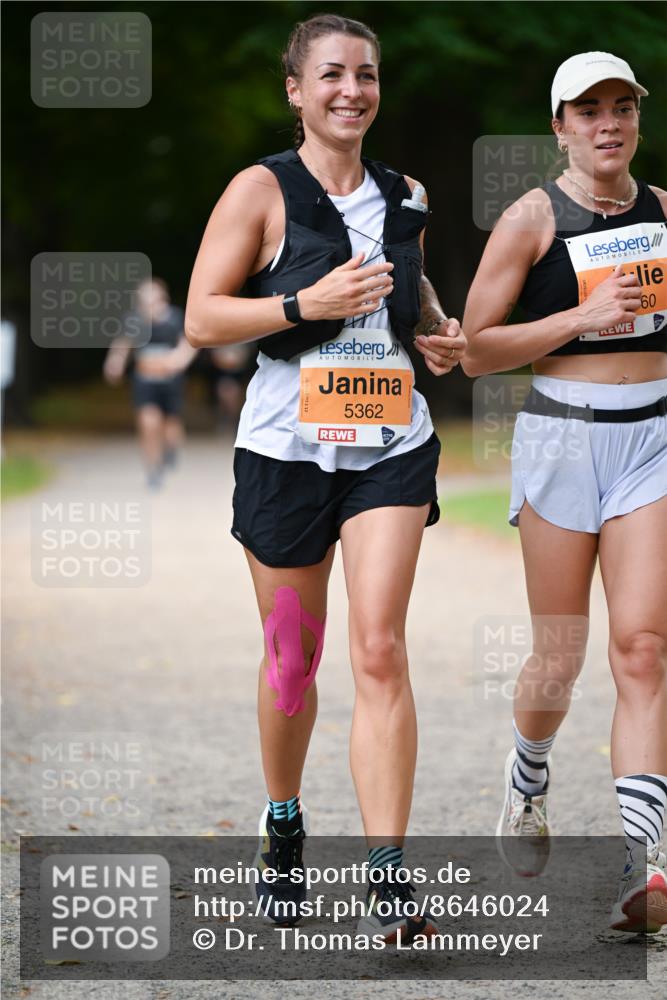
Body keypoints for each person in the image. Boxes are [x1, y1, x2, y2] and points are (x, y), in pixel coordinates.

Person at [185, 13, 465, 942]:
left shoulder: (406, 192)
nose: (352, 90)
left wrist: (437, 329)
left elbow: (410, 289)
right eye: (333, 75)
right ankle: (283, 820)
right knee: (292, 661)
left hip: (389, 444)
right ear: (296, 90)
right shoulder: (259, 189)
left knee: (379, 648)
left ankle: (388, 873)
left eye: (367, 75)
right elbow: (202, 318)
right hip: (284, 452)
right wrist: (303, 301)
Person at [462, 52, 667, 933]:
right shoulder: (530, 219)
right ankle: (527, 776)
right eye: (588, 110)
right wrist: (579, 319)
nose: (607, 123)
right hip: (560, 438)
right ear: (559, 126)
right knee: (559, 652)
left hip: (653, 439)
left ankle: (645, 864)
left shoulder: (664, 213)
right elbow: (475, 350)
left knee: (643, 649)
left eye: (622, 107)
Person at [104, 277, 197, 490]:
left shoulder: (175, 319)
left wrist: (179, 360)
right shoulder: (134, 322)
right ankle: (153, 469)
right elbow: (122, 345)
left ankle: (170, 450)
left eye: (154, 301)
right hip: (145, 381)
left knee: (171, 427)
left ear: (163, 299)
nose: (150, 307)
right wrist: (115, 364)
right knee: (149, 423)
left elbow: (189, 343)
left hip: (170, 381)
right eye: (144, 302)